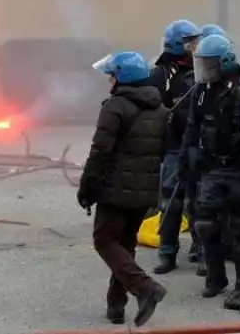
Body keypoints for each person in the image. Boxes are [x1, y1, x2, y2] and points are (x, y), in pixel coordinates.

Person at [78, 52, 169, 326]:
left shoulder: (115, 107)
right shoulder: (160, 108)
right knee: (125, 245)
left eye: (112, 74)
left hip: (115, 190)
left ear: (122, 77)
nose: (109, 79)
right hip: (144, 192)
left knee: (104, 241)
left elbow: (100, 153)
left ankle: (145, 288)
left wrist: (87, 190)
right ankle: (116, 307)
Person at [181, 34, 240, 309]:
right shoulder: (201, 90)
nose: (205, 69)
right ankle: (215, 277)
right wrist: (189, 154)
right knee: (204, 224)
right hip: (210, 167)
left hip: (238, 168)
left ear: (223, 62)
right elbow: (192, 125)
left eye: (209, 64)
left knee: (239, 229)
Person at [151, 19, 202, 275]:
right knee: (170, 203)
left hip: (197, 146)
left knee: (200, 202)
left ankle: (201, 251)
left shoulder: (204, 69)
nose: (196, 46)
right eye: (191, 41)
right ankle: (167, 253)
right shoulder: (160, 75)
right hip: (173, 147)